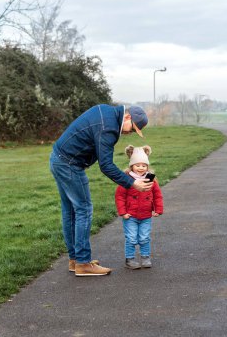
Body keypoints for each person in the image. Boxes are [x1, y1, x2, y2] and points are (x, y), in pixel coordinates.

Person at [50, 104, 153, 276]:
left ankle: (75, 260)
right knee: (84, 209)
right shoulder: (110, 128)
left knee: (70, 211)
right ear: (127, 117)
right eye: (132, 129)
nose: (129, 133)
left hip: (58, 159)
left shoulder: (106, 111)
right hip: (69, 165)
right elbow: (106, 166)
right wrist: (132, 183)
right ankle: (83, 263)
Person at [115, 145, 163, 269]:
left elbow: (157, 195)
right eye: (137, 165)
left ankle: (145, 257)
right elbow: (119, 197)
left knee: (144, 238)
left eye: (144, 165)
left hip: (146, 215)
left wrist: (158, 209)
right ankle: (129, 260)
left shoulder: (150, 179)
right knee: (131, 238)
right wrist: (123, 212)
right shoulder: (126, 179)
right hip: (130, 215)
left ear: (147, 166)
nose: (141, 168)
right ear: (132, 166)